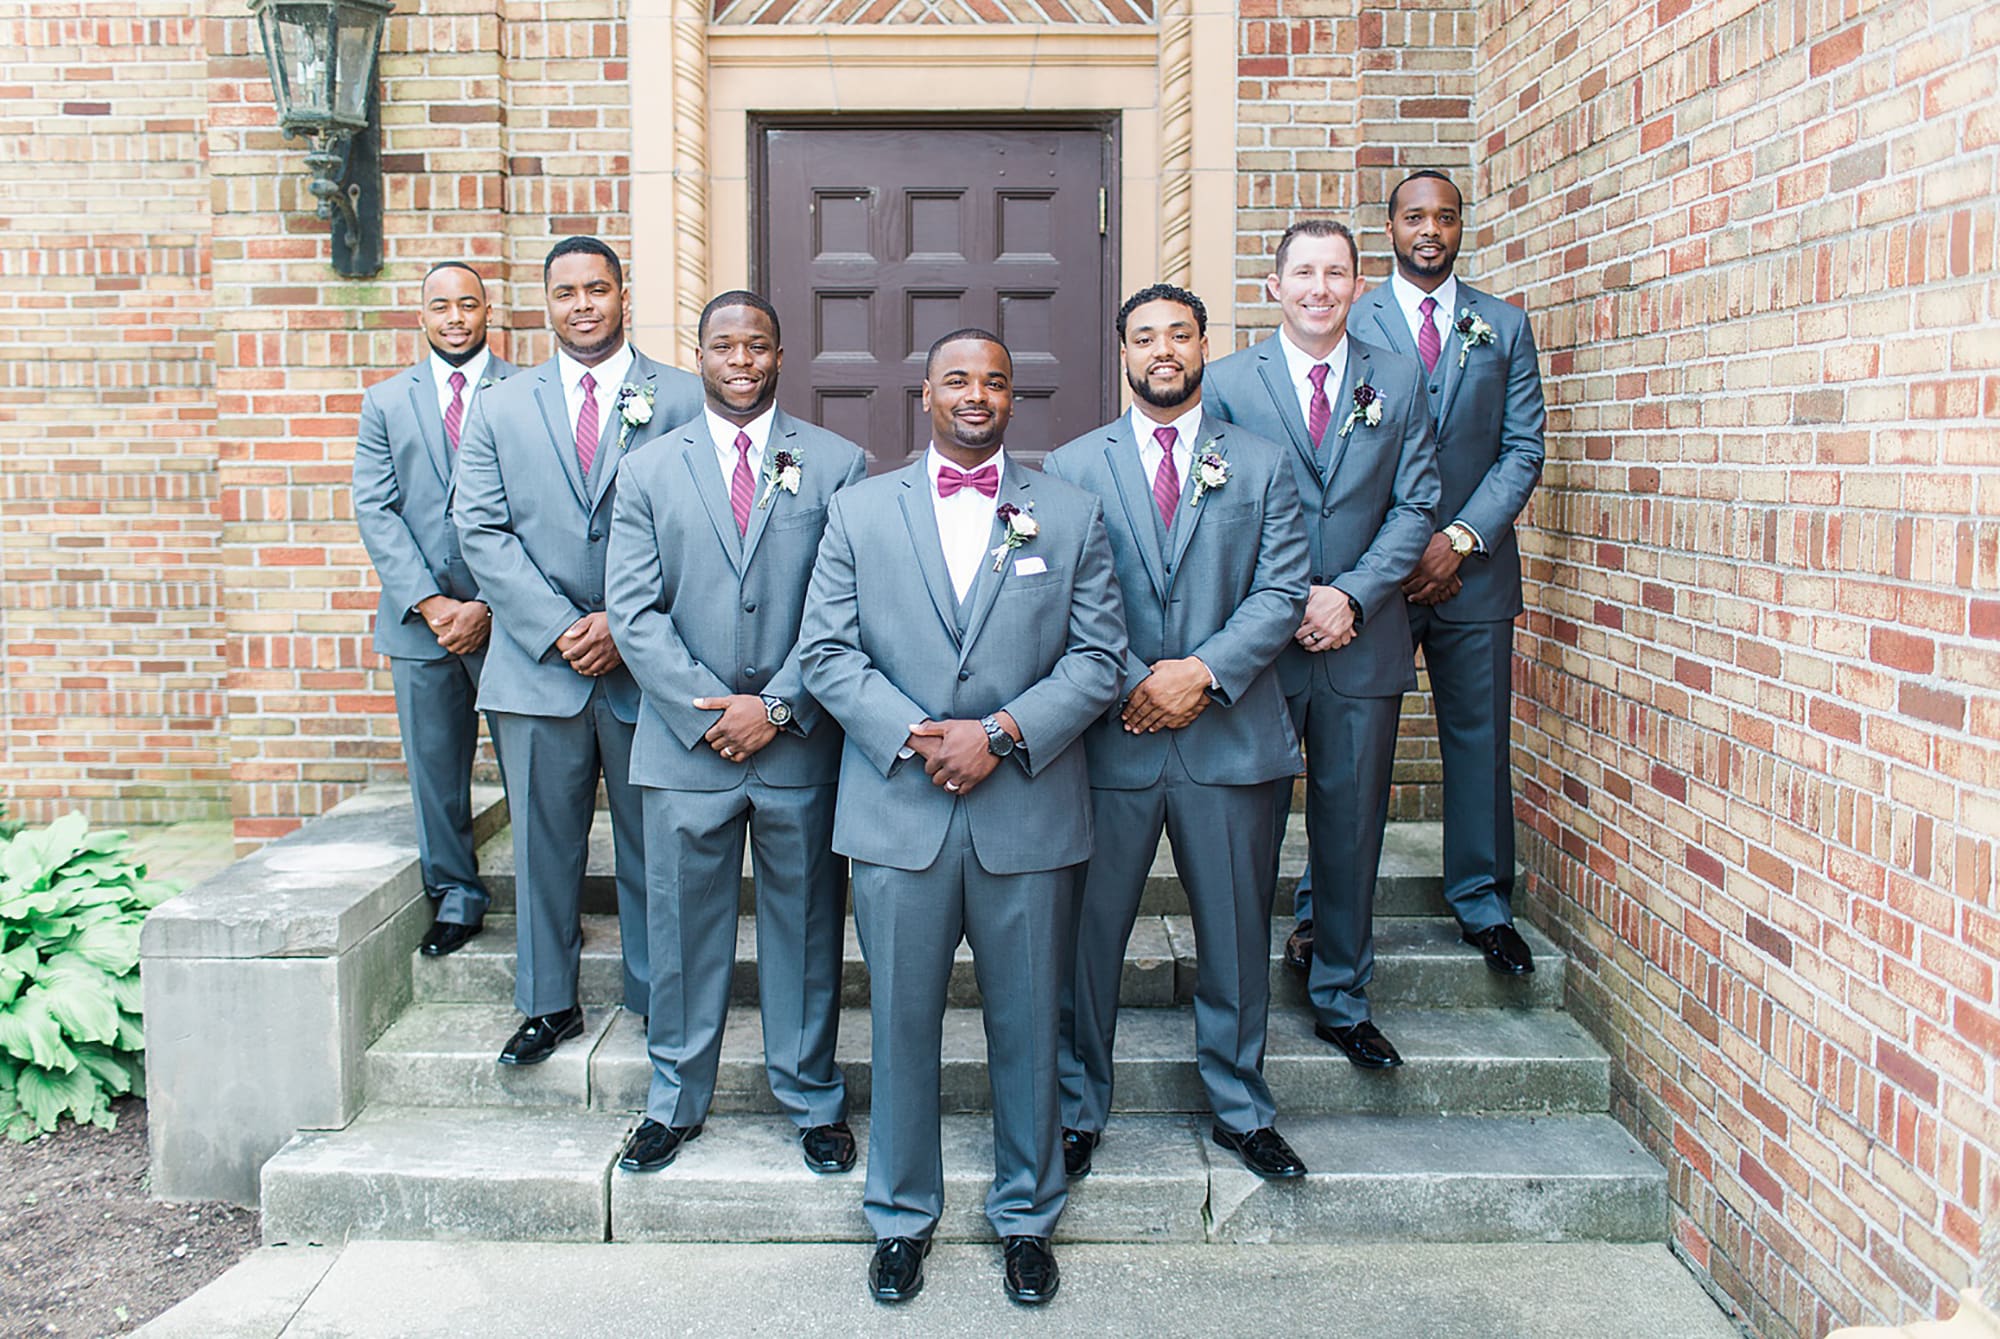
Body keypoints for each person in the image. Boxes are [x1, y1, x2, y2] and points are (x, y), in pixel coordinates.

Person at [799, 329, 1125, 1307]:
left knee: (1029, 1023)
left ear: (1012, 399)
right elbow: (825, 651)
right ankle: (900, 1213)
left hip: (1024, 809)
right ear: (925, 392)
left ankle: (1026, 1212)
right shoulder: (857, 511)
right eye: (957, 378)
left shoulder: (1068, 513)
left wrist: (999, 732)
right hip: (898, 813)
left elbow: (1098, 657)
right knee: (899, 1024)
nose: (975, 394)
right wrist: (914, 733)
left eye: (993, 380)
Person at [1044, 283, 1311, 1181]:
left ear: (1205, 346)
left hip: (1230, 739)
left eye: (1180, 335)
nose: (1164, 350)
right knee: (1089, 939)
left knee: (1236, 931)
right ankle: (1079, 1105)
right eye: (1145, 337)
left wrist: (1201, 674)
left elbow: (1281, 592)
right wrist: (1136, 681)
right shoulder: (1073, 466)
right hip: (1112, 738)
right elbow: (1067, 601)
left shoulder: (1265, 464)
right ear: (1122, 354)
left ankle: (1240, 1105)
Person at [605, 290, 867, 1175]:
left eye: (758, 345)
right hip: (685, 748)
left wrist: (781, 706)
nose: (742, 360)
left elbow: (847, 607)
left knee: (805, 928)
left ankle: (812, 1096)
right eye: (725, 346)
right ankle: (674, 1099)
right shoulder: (645, 469)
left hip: (799, 743)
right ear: (701, 355)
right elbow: (634, 614)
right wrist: (704, 710)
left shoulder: (836, 463)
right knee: (682, 929)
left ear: (781, 355)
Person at [454, 236, 703, 1066]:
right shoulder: (499, 404)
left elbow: (701, 531)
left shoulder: (682, 396)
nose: (583, 305)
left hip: (647, 663)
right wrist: (561, 624)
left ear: (623, 295)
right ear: (546, 304)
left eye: (598, 289)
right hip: (536, 664)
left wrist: (623, 626)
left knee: (653, 845)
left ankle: (654, 996)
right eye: (567, 293)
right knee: (542, 842)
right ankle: (547, 1002)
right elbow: (480, 528)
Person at [1204, 220, 1440, 1070]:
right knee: (1249, 833)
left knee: (1351, 826)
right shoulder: (1228, 383)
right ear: (1274, 286)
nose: (1319, 287)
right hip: (1261, 647)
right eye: (1303, 272)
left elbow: (1416, 504)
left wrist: (1353, 594)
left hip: (1361, 639)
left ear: (1355, 284)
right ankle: (1240, 1007)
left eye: (1335, 272)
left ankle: (1341, 993)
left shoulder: (1399, 378)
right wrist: (1290, 598)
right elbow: (1216, 518)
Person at [1351, 170, 1547, 978]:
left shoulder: (1503, 325)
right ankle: (1325, 913)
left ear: (1462, 226)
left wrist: (1460, 538)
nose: (1429, 229)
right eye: (1414, 217)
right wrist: (1396, 556)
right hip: (1376, 577)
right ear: (1390, 225)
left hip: (1476, 572)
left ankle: (1483, 903)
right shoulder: (1349, 320)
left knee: (1479, 737)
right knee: (1353, 749)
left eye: (1445, 217)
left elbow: (1522, 448)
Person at [352, 261, 516, 958]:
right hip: (421, 623)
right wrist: (432, 601)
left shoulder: (528, 392)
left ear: (488, 312)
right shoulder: (386, 401)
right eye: (440, 306)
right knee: (434, 768)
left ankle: (545, 900)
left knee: (537, 773)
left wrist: (485, 602)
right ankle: (455, 893)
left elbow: (541, 510)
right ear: (420, 316)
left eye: (468, 304)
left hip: (510, 622)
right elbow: (375, 508)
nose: (455, 317)